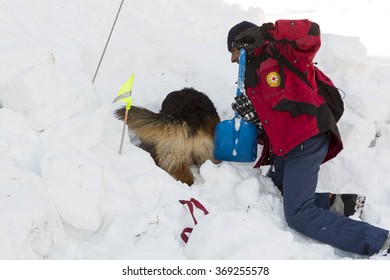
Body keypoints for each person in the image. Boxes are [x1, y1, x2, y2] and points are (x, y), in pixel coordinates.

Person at [227, 19, 390, 256]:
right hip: (289, 145)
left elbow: (310, 33)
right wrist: (255, 121)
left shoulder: (282, 52)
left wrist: (267, 32)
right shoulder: (253, 81)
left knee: (298, 214)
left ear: (244, 42)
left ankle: (379, 240)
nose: (232, 60)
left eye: (232, 51)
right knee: (273, 187)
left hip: (308, 137)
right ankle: (344, 204)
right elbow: (275, 123)